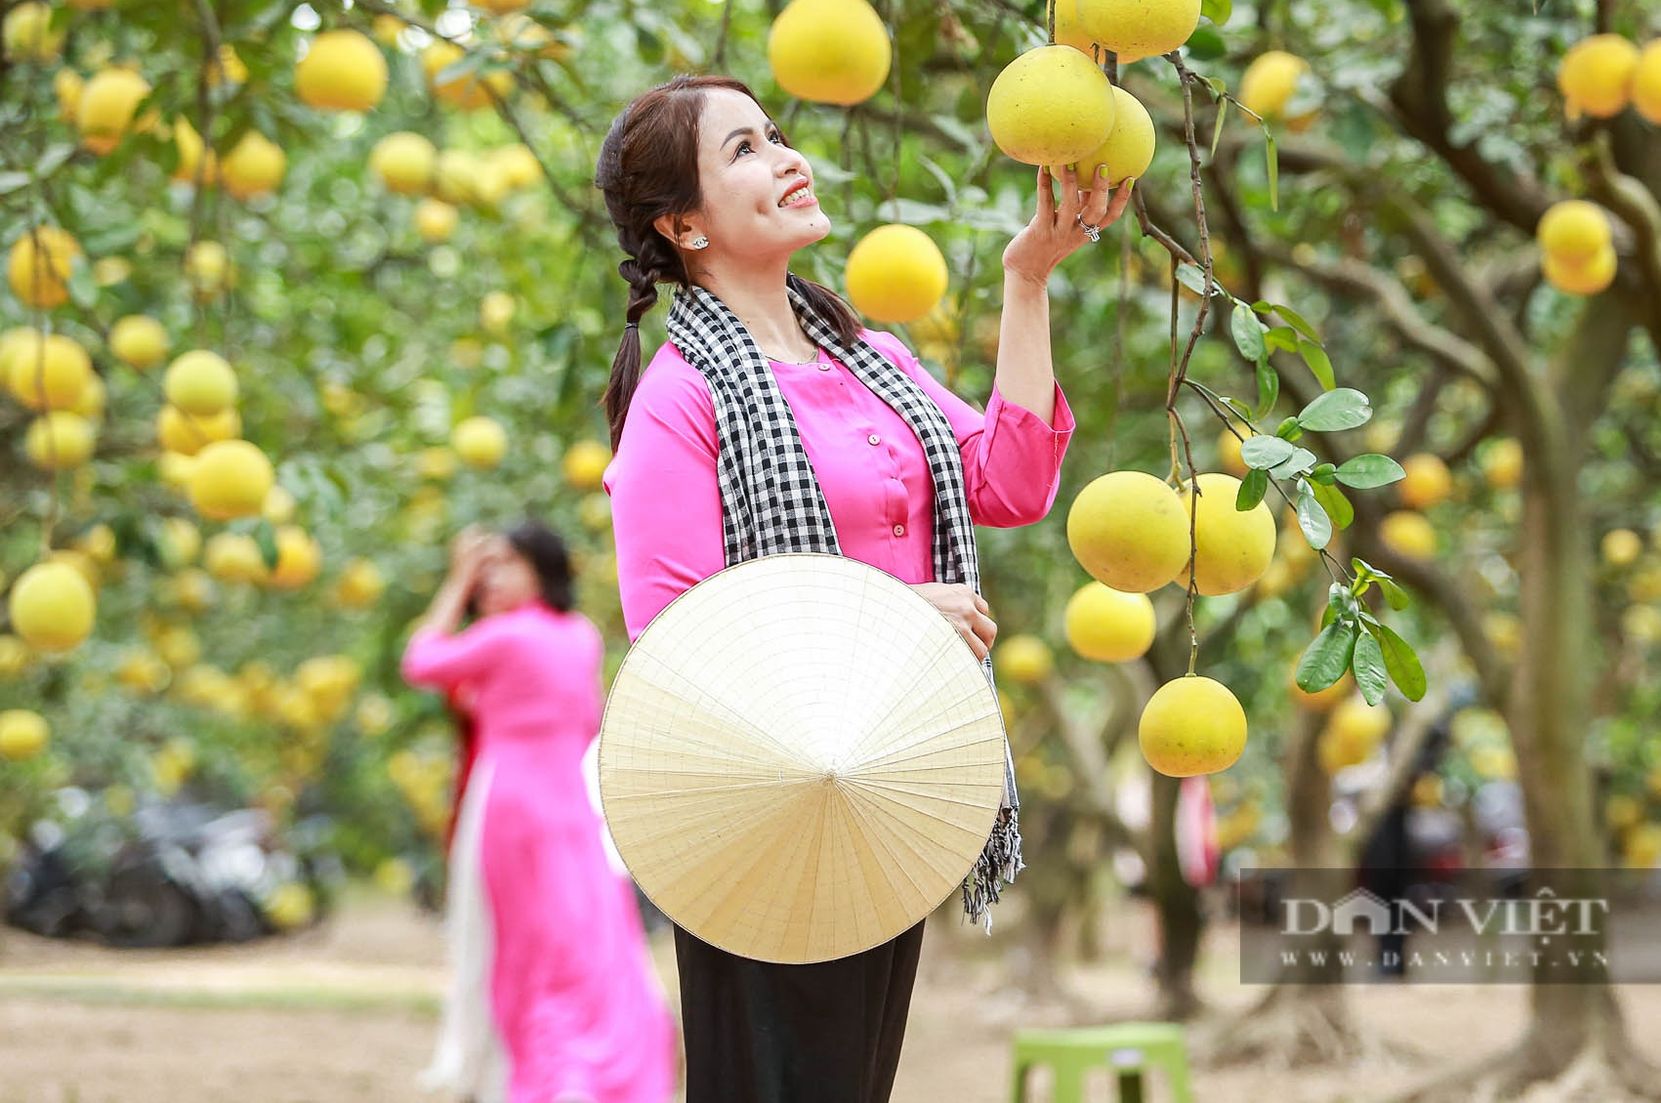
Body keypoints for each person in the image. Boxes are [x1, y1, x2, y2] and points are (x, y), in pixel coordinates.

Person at [597, 75, 1125, 1103]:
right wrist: (877, 616)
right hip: (755, 813)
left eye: (777, 134)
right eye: (744, 149)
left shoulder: (870, 361)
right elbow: (674, 644)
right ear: (684, 224)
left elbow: (1008, 483)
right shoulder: (681, 392)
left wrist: (1028, 279)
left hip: (883, 785)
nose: (787, 158)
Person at [403, 522, 678, 1103]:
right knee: (586, 937)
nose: (489, 578)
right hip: (571, 806)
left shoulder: (505, 638)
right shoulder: (579, 635)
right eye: (482, 569)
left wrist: (453, 585)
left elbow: (421, 661)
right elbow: (589, 720)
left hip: (509, 803)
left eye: (503, 564)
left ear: (539, 567)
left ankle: (537, 1070)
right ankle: (600, 1064)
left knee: (517, 941)